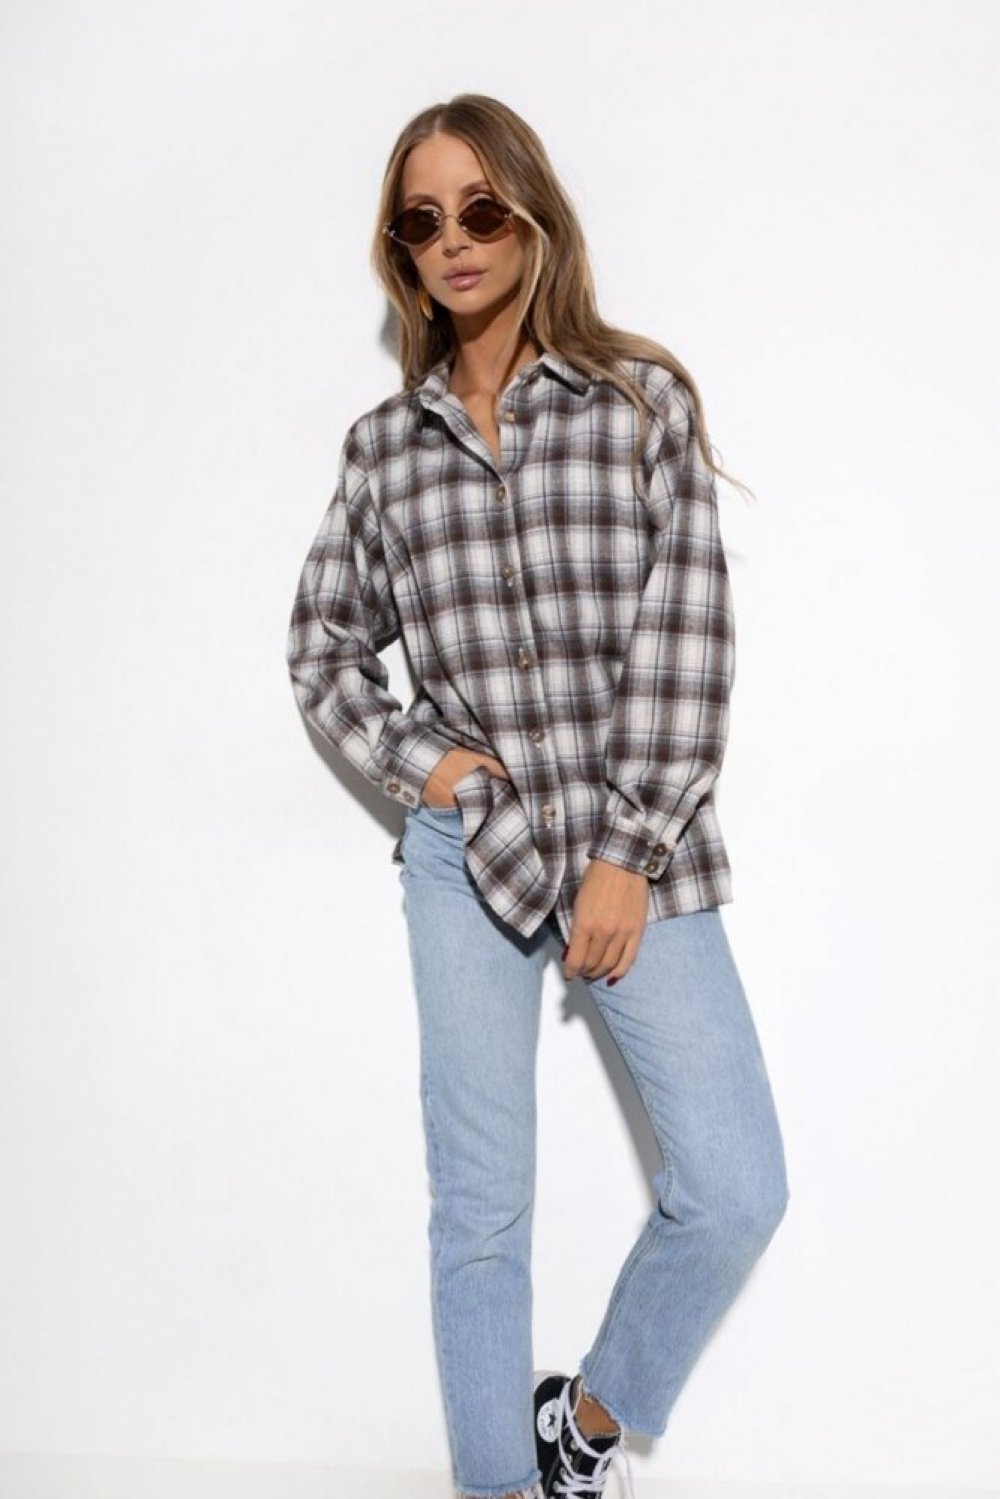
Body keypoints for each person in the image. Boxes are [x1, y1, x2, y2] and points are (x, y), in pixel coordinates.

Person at [286, 93, 790, 1499]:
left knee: (736, 1185)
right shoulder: (385, 452)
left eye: (481, 209)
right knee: (481, 1207)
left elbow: (688, 636)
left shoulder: (638, 402)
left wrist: (627, 850)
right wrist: (427, 766)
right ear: (402, 249)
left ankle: (585, 1428)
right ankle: (495, 1488)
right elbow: (321, 648)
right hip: (470, 853)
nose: (455, 239)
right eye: (422, 219)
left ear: (532, 216)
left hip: (637, 845)